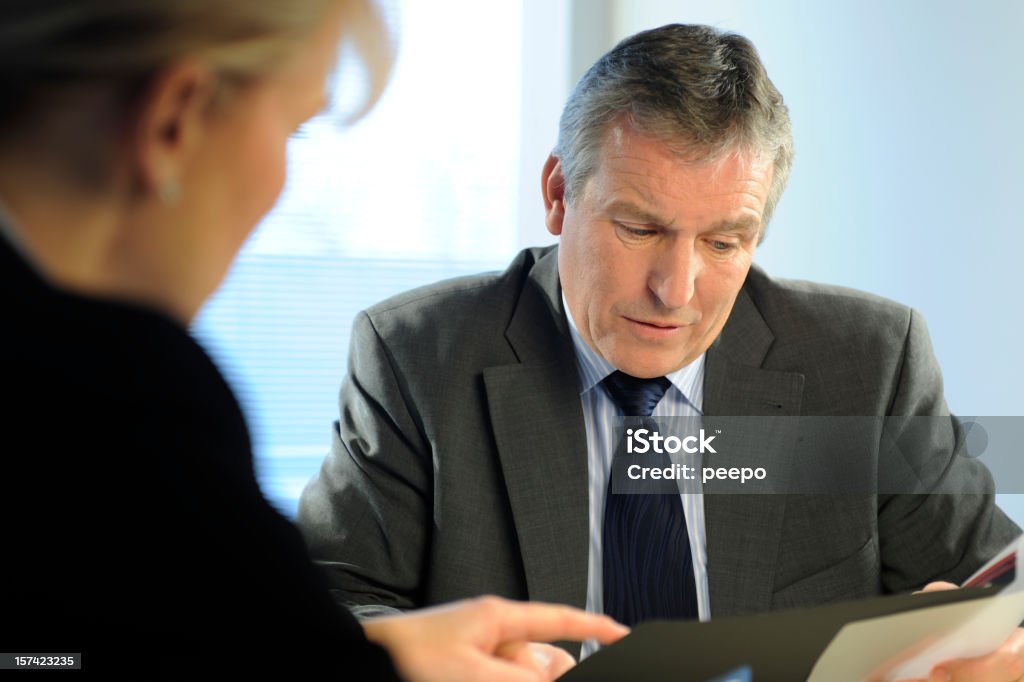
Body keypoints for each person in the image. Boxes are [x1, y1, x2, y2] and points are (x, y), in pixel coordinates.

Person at [296, 23, 1024, 679]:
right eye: (640, 230)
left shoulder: (869, 362)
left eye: (723, 242)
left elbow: (998, 593)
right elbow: (328, 608)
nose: (676, 290)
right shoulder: (416, 356)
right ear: (557, 192)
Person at [0, 1, 628, 679]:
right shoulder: (121, 398)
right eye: (293, 129)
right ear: (174, 119)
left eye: (723, 240)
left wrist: (367, 656)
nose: (676, 287)